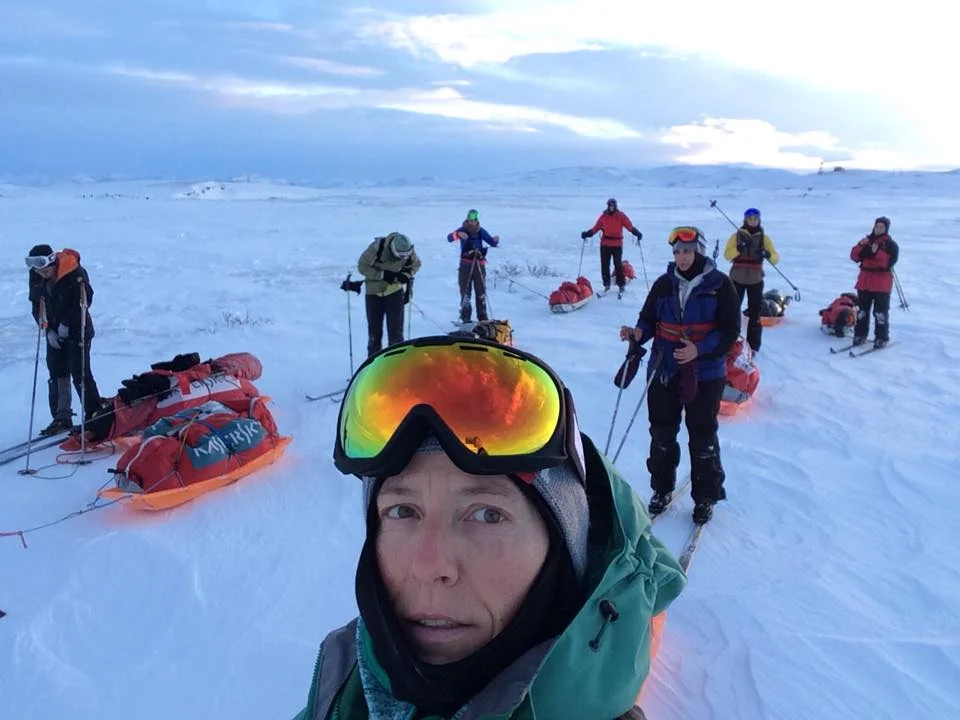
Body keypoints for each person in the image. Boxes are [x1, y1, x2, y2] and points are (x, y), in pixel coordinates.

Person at [293, 335, 686, 720]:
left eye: (488, 515)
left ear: (563, 551)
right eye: (403, 511)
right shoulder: (338, 692)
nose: (430, 568)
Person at [619, 227, 741, 525]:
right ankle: (661, 489)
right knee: (661, 432)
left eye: (688, 251)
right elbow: (649, 318)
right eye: (678, 251)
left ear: (699, 251)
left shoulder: (720, 285)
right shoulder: (664, 283)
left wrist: (699, 350)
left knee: (702, 434)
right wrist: (638, 334)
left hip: (706, 372)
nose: (683, 257)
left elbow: (730, 330)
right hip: (664, 368)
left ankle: (706, 496)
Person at [24, 244, 102, 435]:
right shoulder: (36, 276)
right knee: (57, 372)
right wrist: (48, 330)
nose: (41, 272)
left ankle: (94, 414)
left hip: (78, 329)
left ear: (52, 261)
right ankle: (62, 416)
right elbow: (36, 305)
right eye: (36, 268)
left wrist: (67, 324)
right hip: (54, 331)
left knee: (80, 372)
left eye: (44, 268)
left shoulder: (73, 272)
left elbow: (84, 300)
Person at [722, 208, 780, 353]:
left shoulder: (765, 239)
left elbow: (775, 258)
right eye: (750, 219)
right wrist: (738, 248)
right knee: (732, 311)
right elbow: (727, 255)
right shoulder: (736, 236)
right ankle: (730, 342)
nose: (752, 221)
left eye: (755, 219)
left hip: (756, 280)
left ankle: (753, 347)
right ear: (745, 220)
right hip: (737, 279)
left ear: (759, 220)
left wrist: (767, 254)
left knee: (755, 314)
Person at [355, 232, 422, 358]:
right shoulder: (376, 248)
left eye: (405, 255)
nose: (403, 258)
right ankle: (374, 363)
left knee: (396, 333)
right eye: (400, 255)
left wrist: (406, 275)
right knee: (374, 333)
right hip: (373, 293)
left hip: (394, 292)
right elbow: (362, 266)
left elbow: (416, 264)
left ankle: (397, 363)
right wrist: (383, 275)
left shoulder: (408, 250)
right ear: (393, 249)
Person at [850, 216, 899, 348]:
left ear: (886, 229)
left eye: (881, 227)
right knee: (862, 312)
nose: (878, 229)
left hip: (881, 284)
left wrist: (877, 252)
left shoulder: (891, 245)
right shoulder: (867, 241)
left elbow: (888, 263)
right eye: (877, 226)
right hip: (864, 282)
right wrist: (861, 245)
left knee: (880, 313)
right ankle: (860, 335)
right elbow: (854, 256)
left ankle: (881, 338)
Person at [581, 198, 642, 296]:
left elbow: (629, 226)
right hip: (605, 245)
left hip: (617, 245)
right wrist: (587, 234)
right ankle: (606, 285)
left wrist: (637, 233)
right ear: (608, 206)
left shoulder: (621, 216)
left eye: (613, 206)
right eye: (610, 206)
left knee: (618, 265)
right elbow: (595, 228)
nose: (611, 207)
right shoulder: (604, 216)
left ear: (615, 206)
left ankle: (621, 285)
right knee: (605, 265)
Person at [447, 209, 499, 324]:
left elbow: (492, 242)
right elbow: (449, 238)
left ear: (477, 220)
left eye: (474, 220)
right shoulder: (462, 230)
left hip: (479, 265)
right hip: (465, 265)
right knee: (465, 292)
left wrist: (495, 240)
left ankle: (483, 317)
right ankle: (465, 318)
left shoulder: (480, 231)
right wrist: (457, 234)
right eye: (470, 220)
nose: (472, 222)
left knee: (480, 292)